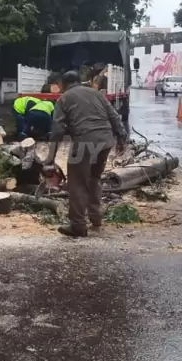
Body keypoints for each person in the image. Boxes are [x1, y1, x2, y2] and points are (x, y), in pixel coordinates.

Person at [45, 71, 127, 238]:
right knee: (94, 178)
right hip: (105, 141)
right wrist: (121, 139)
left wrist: (50, 158)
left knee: (77, 183)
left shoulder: (64, 98)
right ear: (79, 81)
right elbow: (114, 116)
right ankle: (96, 218)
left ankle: (78, 226)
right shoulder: (96, 93)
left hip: (84, 141)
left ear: (63, 84)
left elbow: (58, 130)